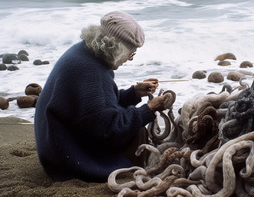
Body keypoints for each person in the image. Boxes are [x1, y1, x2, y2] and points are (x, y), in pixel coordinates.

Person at [34, 11, 169, 182]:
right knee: (138, 131)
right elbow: (109, 129)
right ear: (116, 47)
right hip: (65, 156)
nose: (130, 59)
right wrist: (149, 109)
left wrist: (133, 93)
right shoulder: (92, 71)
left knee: (129, 114)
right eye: (131, 53)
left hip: (54, 143)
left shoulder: (83, 52)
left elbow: (92, 104)